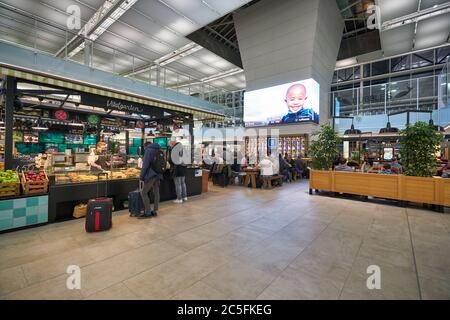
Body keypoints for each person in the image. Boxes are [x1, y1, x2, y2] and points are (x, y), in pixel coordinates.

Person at [139, 142, 163, 218]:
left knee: (143, 193)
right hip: (158, 174)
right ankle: (155, 210)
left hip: (151, 175)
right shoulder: (159, 150)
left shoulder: (148, 150)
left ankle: (148, 212)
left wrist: (141, 176)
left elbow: (145, 165)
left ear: (145, 146)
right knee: (156, 192)